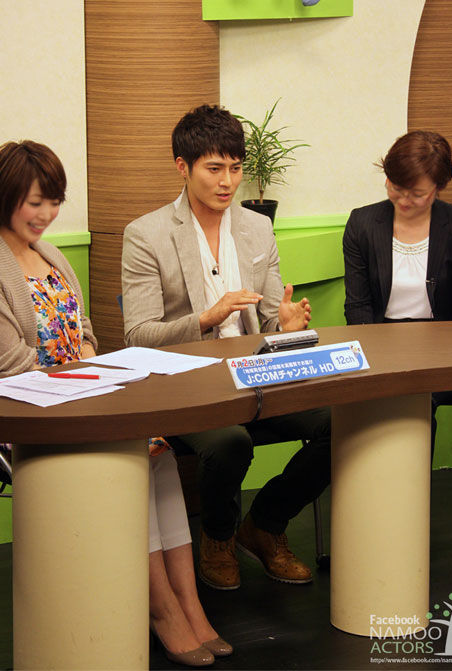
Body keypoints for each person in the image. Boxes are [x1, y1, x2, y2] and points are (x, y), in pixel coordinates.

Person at [0, 140, 226, 668]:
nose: (47, 214)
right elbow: (11, 365)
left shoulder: (50, 255)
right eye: (35, 202)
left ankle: (190, 605)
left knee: (157, 452)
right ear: (6, 198)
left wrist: (89, 363)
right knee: (130, 453)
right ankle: (162, 611)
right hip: (31, 414)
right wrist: (78, 374)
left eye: (55, 201)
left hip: (79, 395)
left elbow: (83, 331)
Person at [122, 104, 331, 591]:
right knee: (230, 443)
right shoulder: (146, 234)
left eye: (235, 169)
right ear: (183, 166)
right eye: (214, 169)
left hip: (257, 378)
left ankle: (264, 525)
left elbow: (269, 321)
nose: (227, 182)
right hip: (187, 387)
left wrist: (285, 326)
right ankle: (217, 538)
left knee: (340, 423)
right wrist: (205, 319)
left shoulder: (257, 228)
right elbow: (138, 336)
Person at [342, 130, 452, 446]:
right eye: (396, 188)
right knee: (368, 403)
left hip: (447, 351)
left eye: (417, 193)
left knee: (414, 402)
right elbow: (357, 306)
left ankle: (409, 478)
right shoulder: (362, 224)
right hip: (381, 345)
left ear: (439, 187)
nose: (404, 200)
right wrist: (375, 356)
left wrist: (445, 354)